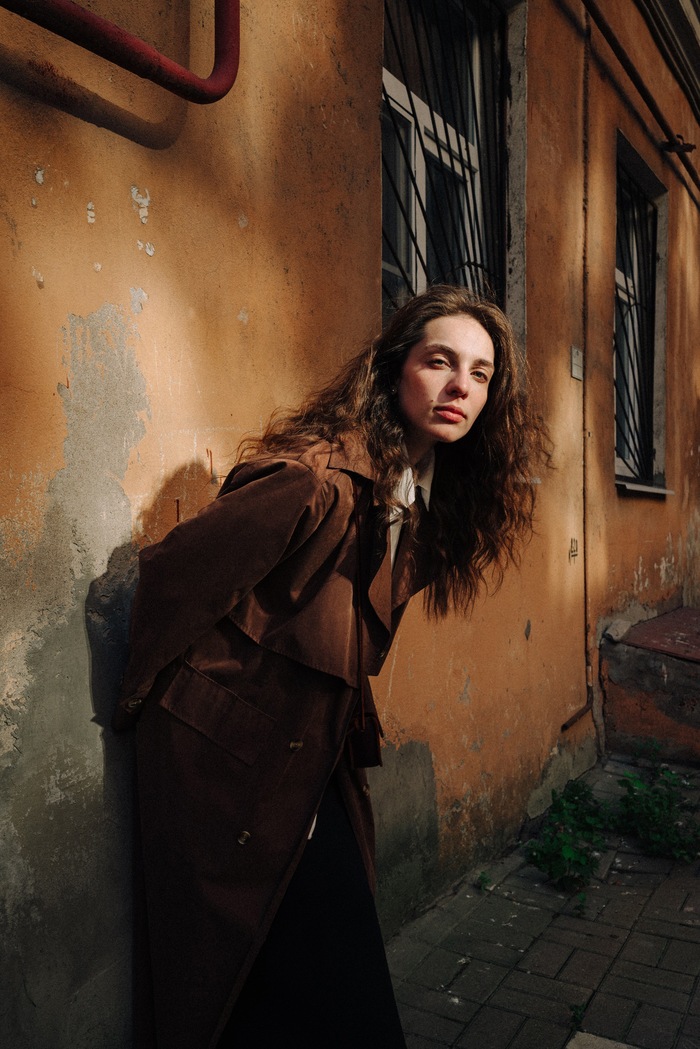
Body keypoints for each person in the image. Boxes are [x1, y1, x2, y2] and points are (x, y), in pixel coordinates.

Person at [114, 284, 549, 1049]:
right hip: (238, 764)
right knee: (309, 988)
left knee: (294, 985)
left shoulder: (417, 492)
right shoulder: (314, 479)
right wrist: (152, 709)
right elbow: (173, 577)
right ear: (393, 368)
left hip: (313, 760)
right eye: (440, 361)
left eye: (480, 373)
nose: (460, 387)